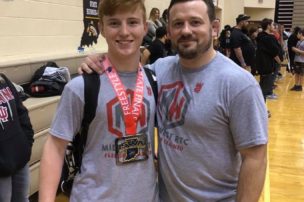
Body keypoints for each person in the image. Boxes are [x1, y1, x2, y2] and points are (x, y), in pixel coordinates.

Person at [79, 0, 268, 201]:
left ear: (214, 28)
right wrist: (99, 59)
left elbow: (255, 158)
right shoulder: (159, 70)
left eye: (195, 22)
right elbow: (124, 71)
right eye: (178, 24)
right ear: (169, 30)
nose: (186, 30)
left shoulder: (239, 84)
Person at [39, 0, 159, 201]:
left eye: (132, 22)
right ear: (101, 28)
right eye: (114, 23)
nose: (124, 31)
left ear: (145, 27)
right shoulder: (81, 86)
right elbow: (55, 147)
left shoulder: (155, 79)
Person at [0, 73, 34, 202]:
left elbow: (21, 112)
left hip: (20, 157)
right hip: (1, 169)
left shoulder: (3, 79)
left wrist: (26, 144)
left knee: (23, 198)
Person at [256, 18, 282, 102]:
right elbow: (274, 53)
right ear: (268, 26)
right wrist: (279, 62)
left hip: (263, 65)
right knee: (264, 90)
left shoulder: (262, 36)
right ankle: (262, 111)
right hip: (267, 66)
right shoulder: (268, 38)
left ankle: (261, 109)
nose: (274, 26)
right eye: (272, 24)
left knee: (263, 87)